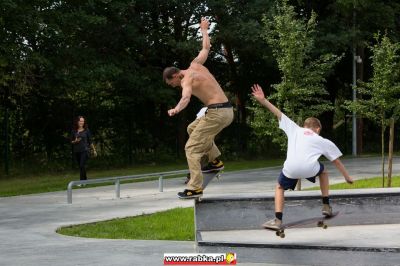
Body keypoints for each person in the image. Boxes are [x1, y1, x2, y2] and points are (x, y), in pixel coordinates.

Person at [251, 84, 353, 229]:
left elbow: (278, 113)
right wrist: (347, 177)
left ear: (304, 126)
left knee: (280, 187)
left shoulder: (294, 128)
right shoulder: (321, 140)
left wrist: (263, 100)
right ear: (317, 129)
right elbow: (336, 161)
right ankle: (325, 205)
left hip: (290, 168)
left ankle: (278, 220)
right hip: (310, 168)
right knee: (323, 171)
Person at [163, 17, 234, 199]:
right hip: (224, 111)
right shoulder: (195, 64)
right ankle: (215, 160)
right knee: (192, 128)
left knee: (191, 148)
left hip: (217, 113)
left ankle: (195, 187)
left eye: (173, 84)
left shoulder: (187, 80)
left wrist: (176, 109)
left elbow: (186, 97)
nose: (176, 86)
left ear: (177, 76)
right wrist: (204, 29)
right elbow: (205, 48)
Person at [71, 116, 96, 185]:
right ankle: (85, 181)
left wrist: (94, 150)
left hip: (85, 150)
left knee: (82, 165)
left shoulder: (86, 130)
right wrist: (75, 141)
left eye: (83, 121)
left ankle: (81, 182)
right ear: (77, 122)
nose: (82, 122)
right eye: (80, 121)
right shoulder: (74, 131)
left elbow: (90, 141)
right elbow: (71, 141)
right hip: (77, 151)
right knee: (81, 167)